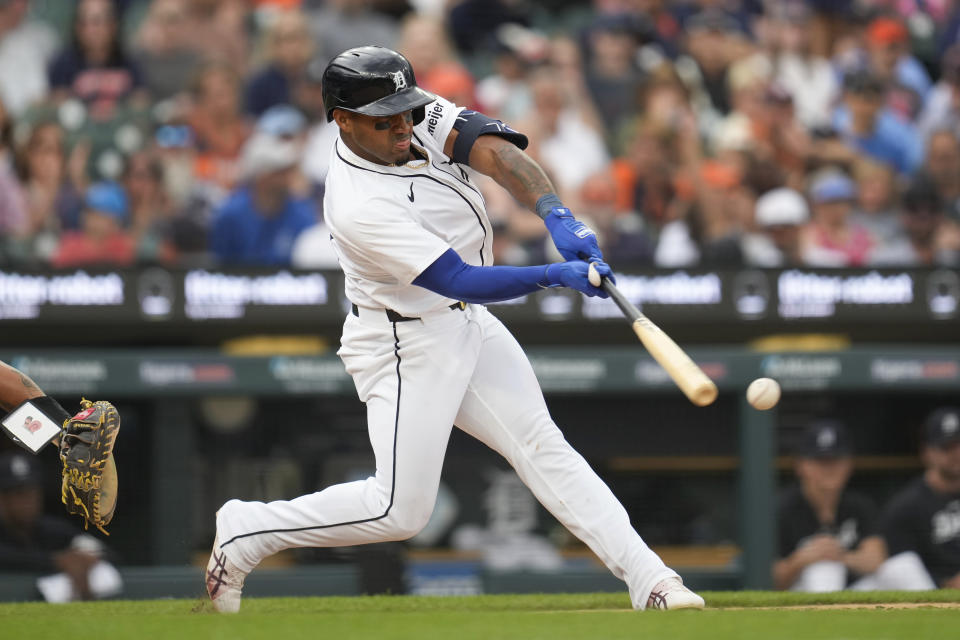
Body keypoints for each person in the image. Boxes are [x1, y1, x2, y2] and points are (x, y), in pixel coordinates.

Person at [205, 46, 705, 614]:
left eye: (406, 112)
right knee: (399, 511)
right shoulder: (356, 202)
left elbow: (493, 153)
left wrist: (554, 212)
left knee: (544, 446)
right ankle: (248, 529)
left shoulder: (410, 113)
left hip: (466, 325)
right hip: (404, 341)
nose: (402, 127)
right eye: (384, 120)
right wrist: (554, 274)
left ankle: (653, 581)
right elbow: (459, 279)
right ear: (342, 121)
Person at [773, 420, 887, 591]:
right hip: (800, 597)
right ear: (800, 465)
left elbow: (877, 559)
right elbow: (769, 579)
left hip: (854, 592)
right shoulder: (782, 509)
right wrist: (803, 559)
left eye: (836, 460)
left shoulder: (859, 505)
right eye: (821, 461)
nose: (829, 468)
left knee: (903, 567)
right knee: (825, 568)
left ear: (849, 464)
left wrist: (839, 555)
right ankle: (828, 618)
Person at [0, 450, 122, 602]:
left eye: (32, 492)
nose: (28, 501)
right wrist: (55, 561)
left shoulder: (52, 530)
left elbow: (105, 551)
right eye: (18, 493)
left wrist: (83, 561)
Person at [881, 407, 960, 588]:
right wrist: (947, 583)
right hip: (932, 595)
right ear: (927, 453)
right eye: (946, 447)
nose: (956, 454)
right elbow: (901, 570)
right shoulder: (905, 507)